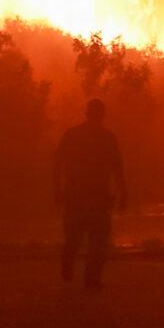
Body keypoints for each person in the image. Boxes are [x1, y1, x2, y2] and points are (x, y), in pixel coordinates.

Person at [54, 98, 127, 290]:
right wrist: (123, 193)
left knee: (74, 237)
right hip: (98, 198)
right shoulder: (107, 138)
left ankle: (69, 262)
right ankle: (90, 278)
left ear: (86, 113)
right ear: (102, 115)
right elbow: (117, 168)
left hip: (76, 196)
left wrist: (57, 190)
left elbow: (57, 163)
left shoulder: (72, 135)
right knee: (98, 240)